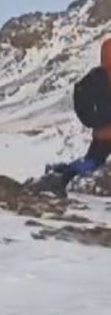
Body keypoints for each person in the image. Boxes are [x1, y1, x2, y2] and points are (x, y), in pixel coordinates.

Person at [40, 37, 111, 197]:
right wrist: (93, 121)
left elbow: (80, 94)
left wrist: (92, 121)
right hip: (104, 132)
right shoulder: (97, 77)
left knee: (92, 162)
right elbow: (81, 94)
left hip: (102, 131)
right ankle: (60, 172)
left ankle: (60, 171)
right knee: (92, 163)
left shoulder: (95, 76)